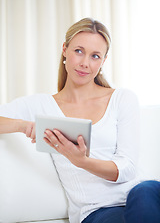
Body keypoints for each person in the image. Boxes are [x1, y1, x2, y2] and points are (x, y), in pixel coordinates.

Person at [0, 18, 160, 223]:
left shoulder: (122, 98)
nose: (85, 62)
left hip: (142, 197)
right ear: (65, 50)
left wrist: (82, 161)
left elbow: (127, 169)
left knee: (145, 192)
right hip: (97, 211)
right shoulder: (40, 105)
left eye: (95, 56)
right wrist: (22, 125)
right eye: (78, 51)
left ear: (103, 61)